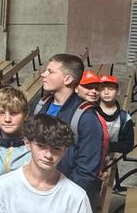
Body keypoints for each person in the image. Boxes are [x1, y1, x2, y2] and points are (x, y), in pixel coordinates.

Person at [32, 53, 104, 203]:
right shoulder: (40, 105)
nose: (43, 74)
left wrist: (61, 199)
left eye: (50, 71)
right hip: (36, 188)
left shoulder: (86, 117)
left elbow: (86, 171)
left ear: (68, 79)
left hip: (63, 196)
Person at [97, 75, 134, 155]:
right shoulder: (90, 112)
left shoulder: (124, 118)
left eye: (110, 88)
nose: (106, 92)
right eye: (102, 88)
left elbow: (128, 145)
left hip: (110, 158)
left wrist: (107, 147)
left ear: (118, 91)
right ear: (98, 91)